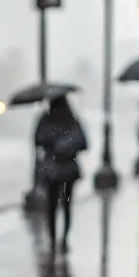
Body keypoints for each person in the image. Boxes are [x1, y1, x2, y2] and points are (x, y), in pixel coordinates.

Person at [34, 95, 88, 252]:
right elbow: (83, 143)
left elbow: (38, 140)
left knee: (52, 205)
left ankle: (53, 239)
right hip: (69, 170)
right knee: (66, 205)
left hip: (52, 170)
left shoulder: (46, 120)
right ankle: (63, 238)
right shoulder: (71, 120)